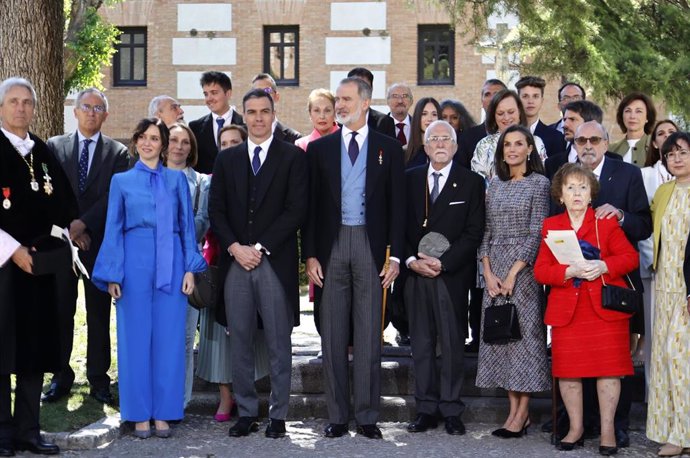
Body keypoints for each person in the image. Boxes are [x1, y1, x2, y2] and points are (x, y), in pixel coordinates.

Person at [92, 118, 207, 439]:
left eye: (154, 138)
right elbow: (112, 228)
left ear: (164, 144)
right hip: (134, 263)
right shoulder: (121, 181)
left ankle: (165, 412)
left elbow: (186, 228)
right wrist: (113, 273)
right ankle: (138, 413)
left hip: (171, 264)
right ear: (136, 141)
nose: (147, 143)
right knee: (135, 341)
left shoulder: (176, 182)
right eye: (142, 137)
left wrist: (189, 269)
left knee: (169, 342)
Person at [304, 77, 404, 439]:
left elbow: (398, 208)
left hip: (371, 246)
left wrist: (396, 257)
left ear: (365, 103)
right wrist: (311, 254)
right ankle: (337, 415)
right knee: (332, 334)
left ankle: (366, 415)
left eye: (346, 100)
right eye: (338, 100)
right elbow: (311, 207)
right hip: (332, 247)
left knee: (368, 334)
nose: (340, 106)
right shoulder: (320, 151)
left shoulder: (389, 149)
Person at [209, 89, 308, 439]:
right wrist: (236, 247)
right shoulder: (227, 159)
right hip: (236, 262)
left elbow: (296, 210)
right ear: (244, 116)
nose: (258, 118)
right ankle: (247, 411)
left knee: (280, 342)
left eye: (264, 111)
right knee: (240, 341)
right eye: (251, 112)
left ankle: (278, 415)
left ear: (273, 112)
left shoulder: (291, 157)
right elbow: (216, 210)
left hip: (273, 262)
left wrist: (260, 247)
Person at [534, 163, 639, 456]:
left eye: (583, 187)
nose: (577, 193)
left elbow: (630, 258)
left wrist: (603, 265)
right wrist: (567, 271)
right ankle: (575, 428)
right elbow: (541, 271)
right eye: (570, 188)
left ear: (591, 193)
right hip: (568, 311)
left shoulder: (605, 223)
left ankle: (607, 431)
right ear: (560, 195)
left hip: (605, 311)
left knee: (609, 372)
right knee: (569, 373)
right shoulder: (551, 226)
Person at [0, 76, 77, 456]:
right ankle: (1, 434)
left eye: (27, 102)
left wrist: (63, 239)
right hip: (2, 267)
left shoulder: (42, 152)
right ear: (1, 108)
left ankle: (28, 430)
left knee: (34, 350)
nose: (21, 108)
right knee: (1, 349)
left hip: (38, 269)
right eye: (13, 101)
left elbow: (63, 206)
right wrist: (12, 250)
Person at [564, 121, 651, 448]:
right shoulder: (566, 175)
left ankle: (618, 425)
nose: (587, 145)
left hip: (616, 283)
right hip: (576, 287)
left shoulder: (628, 174)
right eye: (581, 139)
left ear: (606, 142)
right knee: (581, 356)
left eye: (594, 139)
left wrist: (622, 215)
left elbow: (644, 225)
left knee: (617, 359)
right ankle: (581, 423)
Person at [44, 88, 129, 407]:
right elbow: (49, 192)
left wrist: (85, 224)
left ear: (105, 115)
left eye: (98, 108)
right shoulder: (54, 146)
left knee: (98, 314)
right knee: (60, 313)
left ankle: (98, 378)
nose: (92, 112)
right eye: (86, 107)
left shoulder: (118, 153)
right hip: (61, 245)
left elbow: (113, 196)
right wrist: (70, 226)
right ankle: (60, 376)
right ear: (75, 112)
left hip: (98, 246)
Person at [404, 120, 485, 436]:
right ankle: (425, 408)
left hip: (451, 275)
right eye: (433, 138)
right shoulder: (408, 180)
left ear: (454, 146)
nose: (439, 143)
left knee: (452, 344)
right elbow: (398, 225)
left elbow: (474, 231)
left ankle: (451, 409)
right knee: (421, 344)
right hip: (416, 274)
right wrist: (411, 260)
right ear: (425, 146)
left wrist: (444, 263)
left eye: (445, 138)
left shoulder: (471, 182)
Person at [476, 125, 551, 437]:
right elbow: (486, 232)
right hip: (494, 273)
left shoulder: (540, 184)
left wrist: (512, 274)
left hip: (524, 273)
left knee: (524, 343)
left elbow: (536, 233)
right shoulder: (494, 184)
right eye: (507, 144)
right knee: (501, 341)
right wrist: (489, 273)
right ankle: (513, 412)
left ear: (530, 149)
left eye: (519, 143)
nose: (512, 149)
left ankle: (522, 415)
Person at [197, 123, 271, 423]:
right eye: (223, 143)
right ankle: (227, 396)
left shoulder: (256, 176)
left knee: (248, 334)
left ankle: (248, 395)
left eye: (234, 142)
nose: (228, 148)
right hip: (220, 264)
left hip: (255, 262)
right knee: (220, 337)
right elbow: (209, 220)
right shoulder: (210, 182)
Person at [647, 132, 690, 456]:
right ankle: (669, 430)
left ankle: (684, 433)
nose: (676, 158)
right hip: (664, 284)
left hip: (688, 287)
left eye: (683, 152)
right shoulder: (663, 192)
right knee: (663, 358)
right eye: (670, 153)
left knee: (682, 360)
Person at [162, 123, 210, 410]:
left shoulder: (202, 183)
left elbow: (202, 223)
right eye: (173, 140)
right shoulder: (149, 176)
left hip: (186, 267)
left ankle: (179, 402)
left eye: (185, 142)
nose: (179, 146)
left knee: (183, 338)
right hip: (153, 267)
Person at [637, 120, 679, 373]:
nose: (665, 137)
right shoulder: (645, 175)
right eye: (660, 134)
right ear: (654, 143)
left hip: (683, 269)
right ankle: (653, 395)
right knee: (654, 332)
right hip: (652, 266)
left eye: (671, 133)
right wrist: (654, 259)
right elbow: (644, 223)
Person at [471, 90, 546, 185]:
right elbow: (478, 183)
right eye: (500, 113)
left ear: (519, 112)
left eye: (511, 112)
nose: (506, 117)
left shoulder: (536, 142)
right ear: (494, 116)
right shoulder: (484, 145)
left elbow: (541, 178)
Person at [189, 71, 244, 174]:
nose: (209, 99)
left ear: (228, 94)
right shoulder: (195, 127)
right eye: (206, 94)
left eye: (214, 93)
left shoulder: (245, 126)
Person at [457, 78, 507, 167]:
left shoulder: (520, 135)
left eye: (497, 94)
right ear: (482, 101)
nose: (492, 99)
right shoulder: (467, 138)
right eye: (487, 94)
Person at [515, 76, 566, 158]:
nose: (530, 101)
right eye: (525, 96)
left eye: (535, 96)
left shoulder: (556, 137)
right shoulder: (508, 134)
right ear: (517, 100)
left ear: (542, 101)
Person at [251, 73, 302, 144]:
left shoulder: (294, 139)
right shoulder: (241, 136)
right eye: (257, 92)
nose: (262, 96)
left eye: (267, 91)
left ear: (276, 97)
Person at [610, 92, 657, 167]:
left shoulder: (656, 148)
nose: (632, 116)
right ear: (622, 116)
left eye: (638, 111)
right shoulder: (610, 150)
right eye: (628, 111)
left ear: (647, 117)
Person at [346, 67, 396, 138]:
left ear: (371, 90)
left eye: (365, 87)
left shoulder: (385, 122)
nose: (360, 91)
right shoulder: (339, 123)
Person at [405, 97, 441, 169]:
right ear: (417, 117)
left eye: (434, 114)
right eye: (424, 114)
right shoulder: (404, 153)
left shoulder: (447, 152)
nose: (429, 119)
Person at [386, 83, 414, 147]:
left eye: (405, 96)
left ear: (411, 101)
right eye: (395, 96)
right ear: (388, 101)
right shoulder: (378, 127)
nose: (400, 101)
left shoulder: (418, 127)